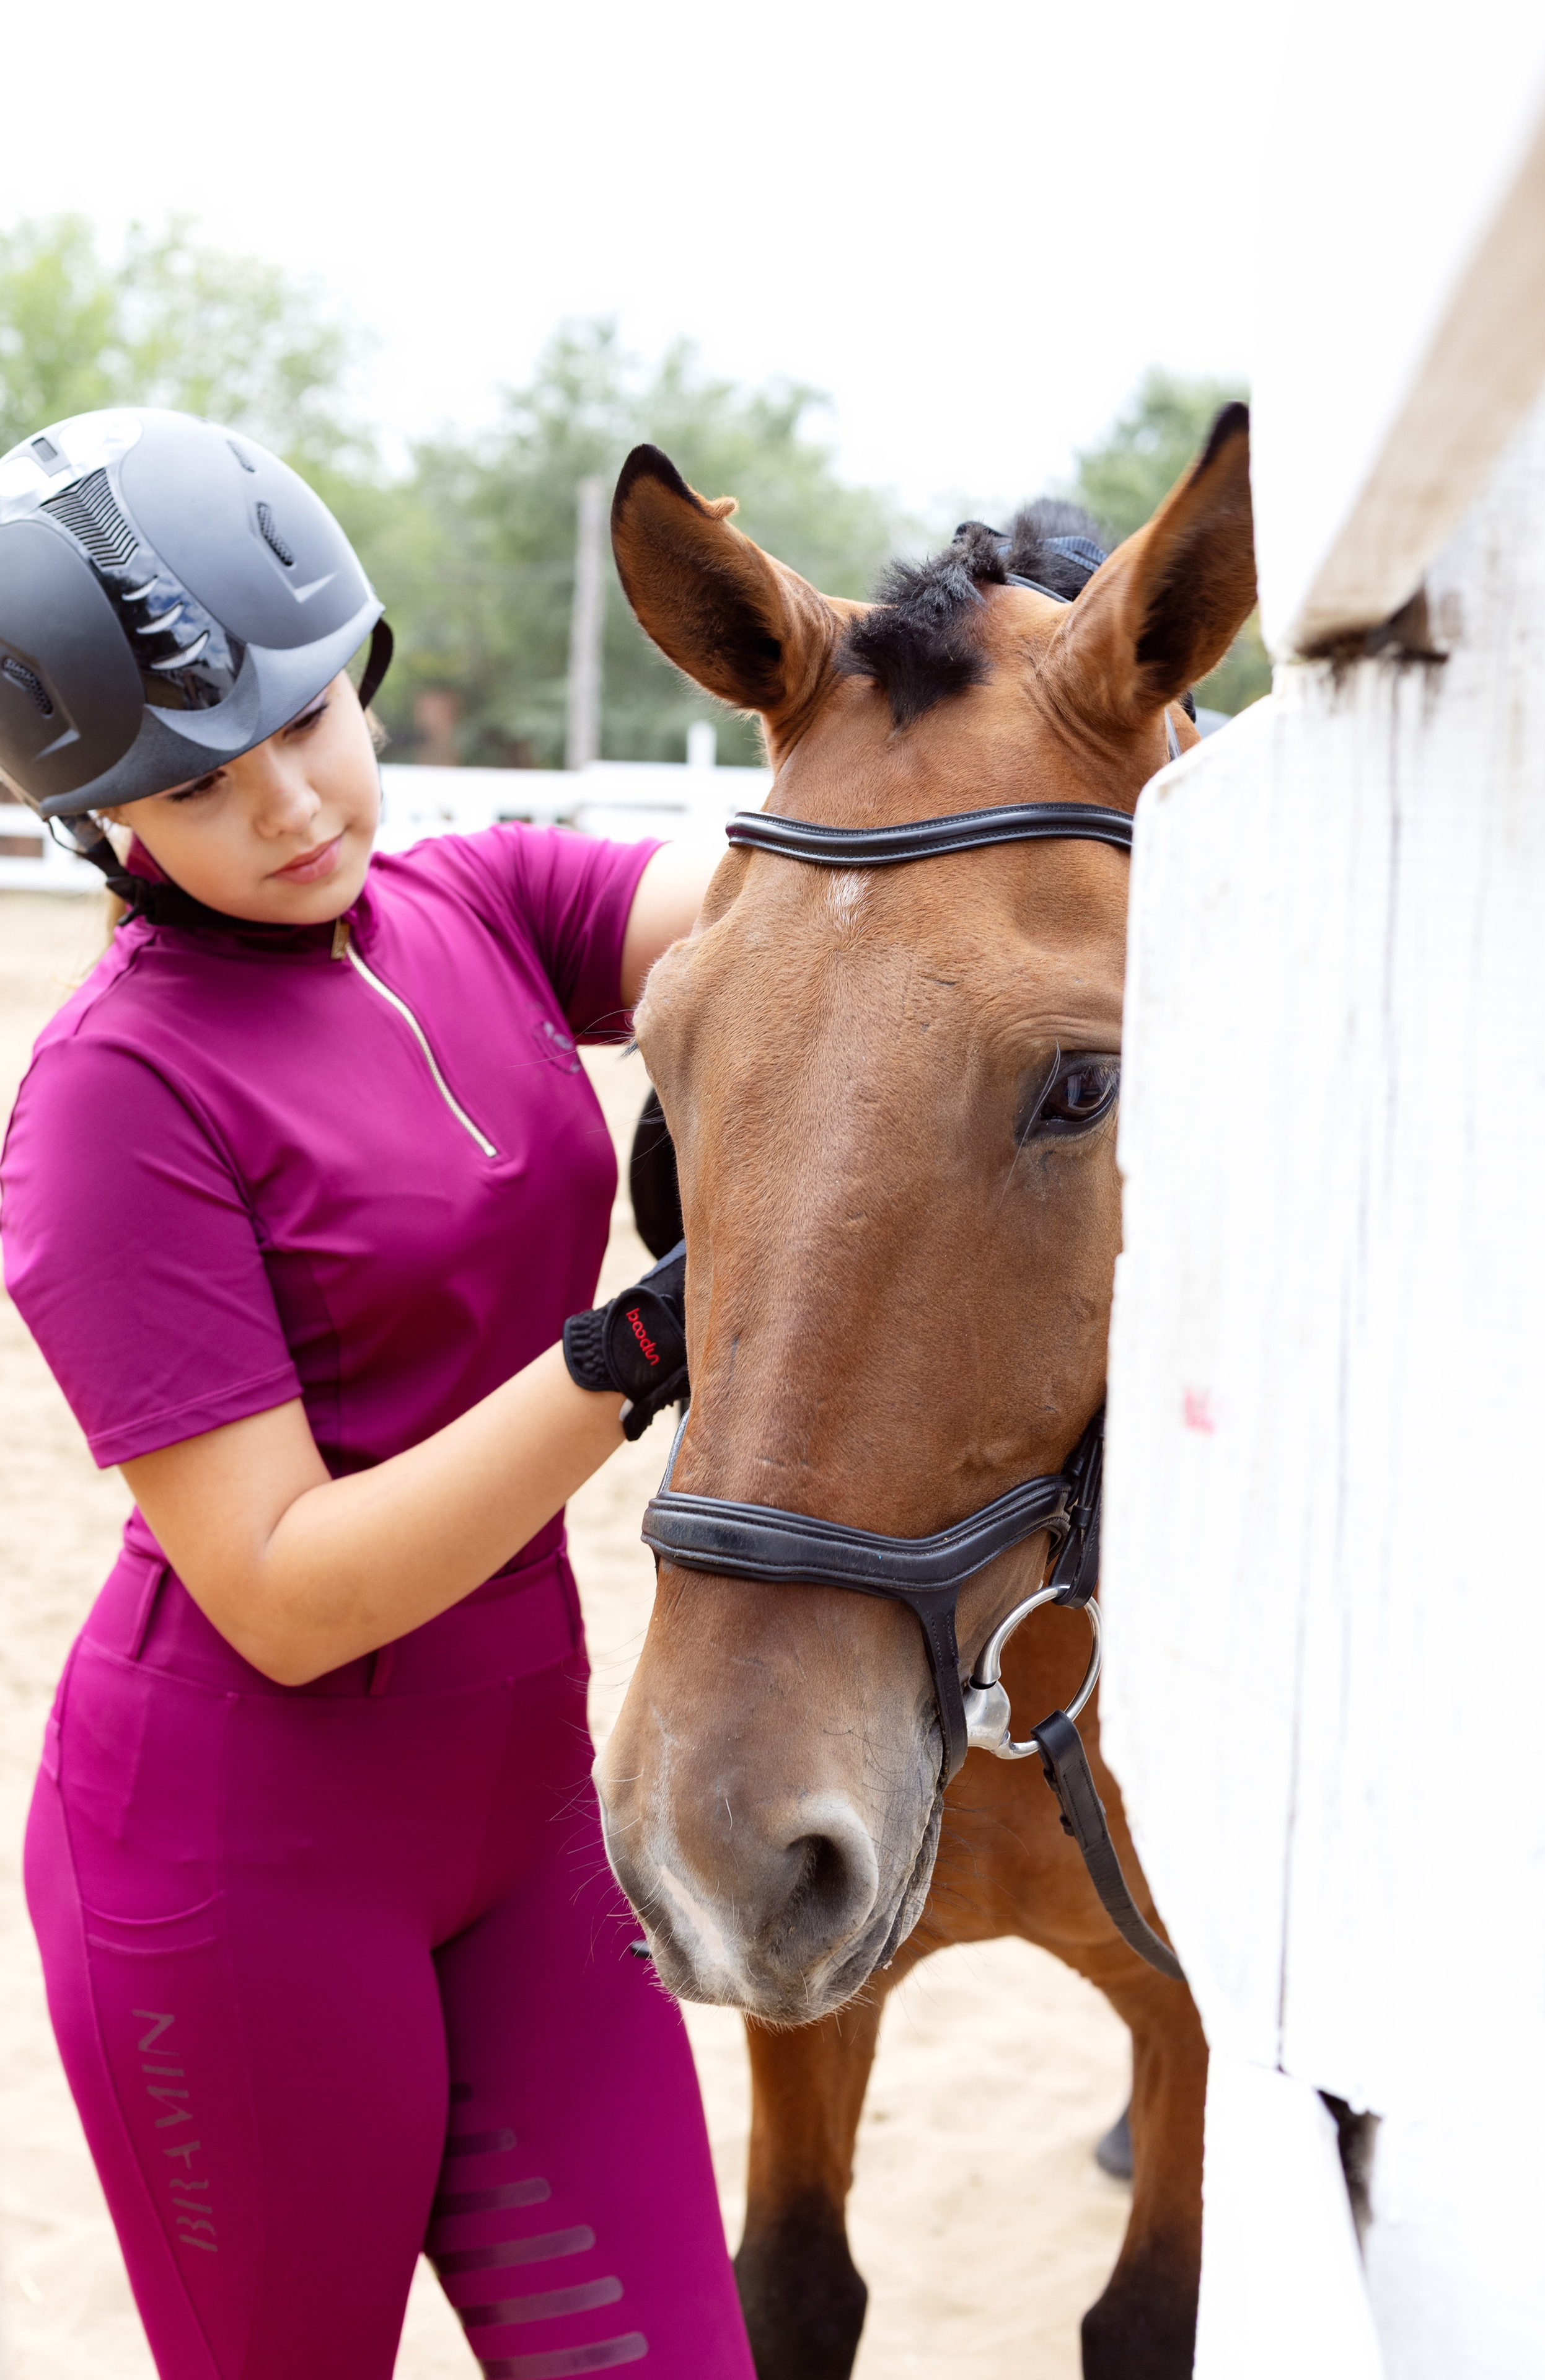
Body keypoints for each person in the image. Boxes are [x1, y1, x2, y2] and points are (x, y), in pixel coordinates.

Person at [0, 408, 747, 2380]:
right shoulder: (109, 1101)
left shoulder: (479, 905)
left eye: (309, 716)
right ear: (102, 818)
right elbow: (285, 1591)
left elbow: (796, 895)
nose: (291, 804)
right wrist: (639, 1347)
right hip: (238, 1879)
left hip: (522, 1820)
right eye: (197, 781)